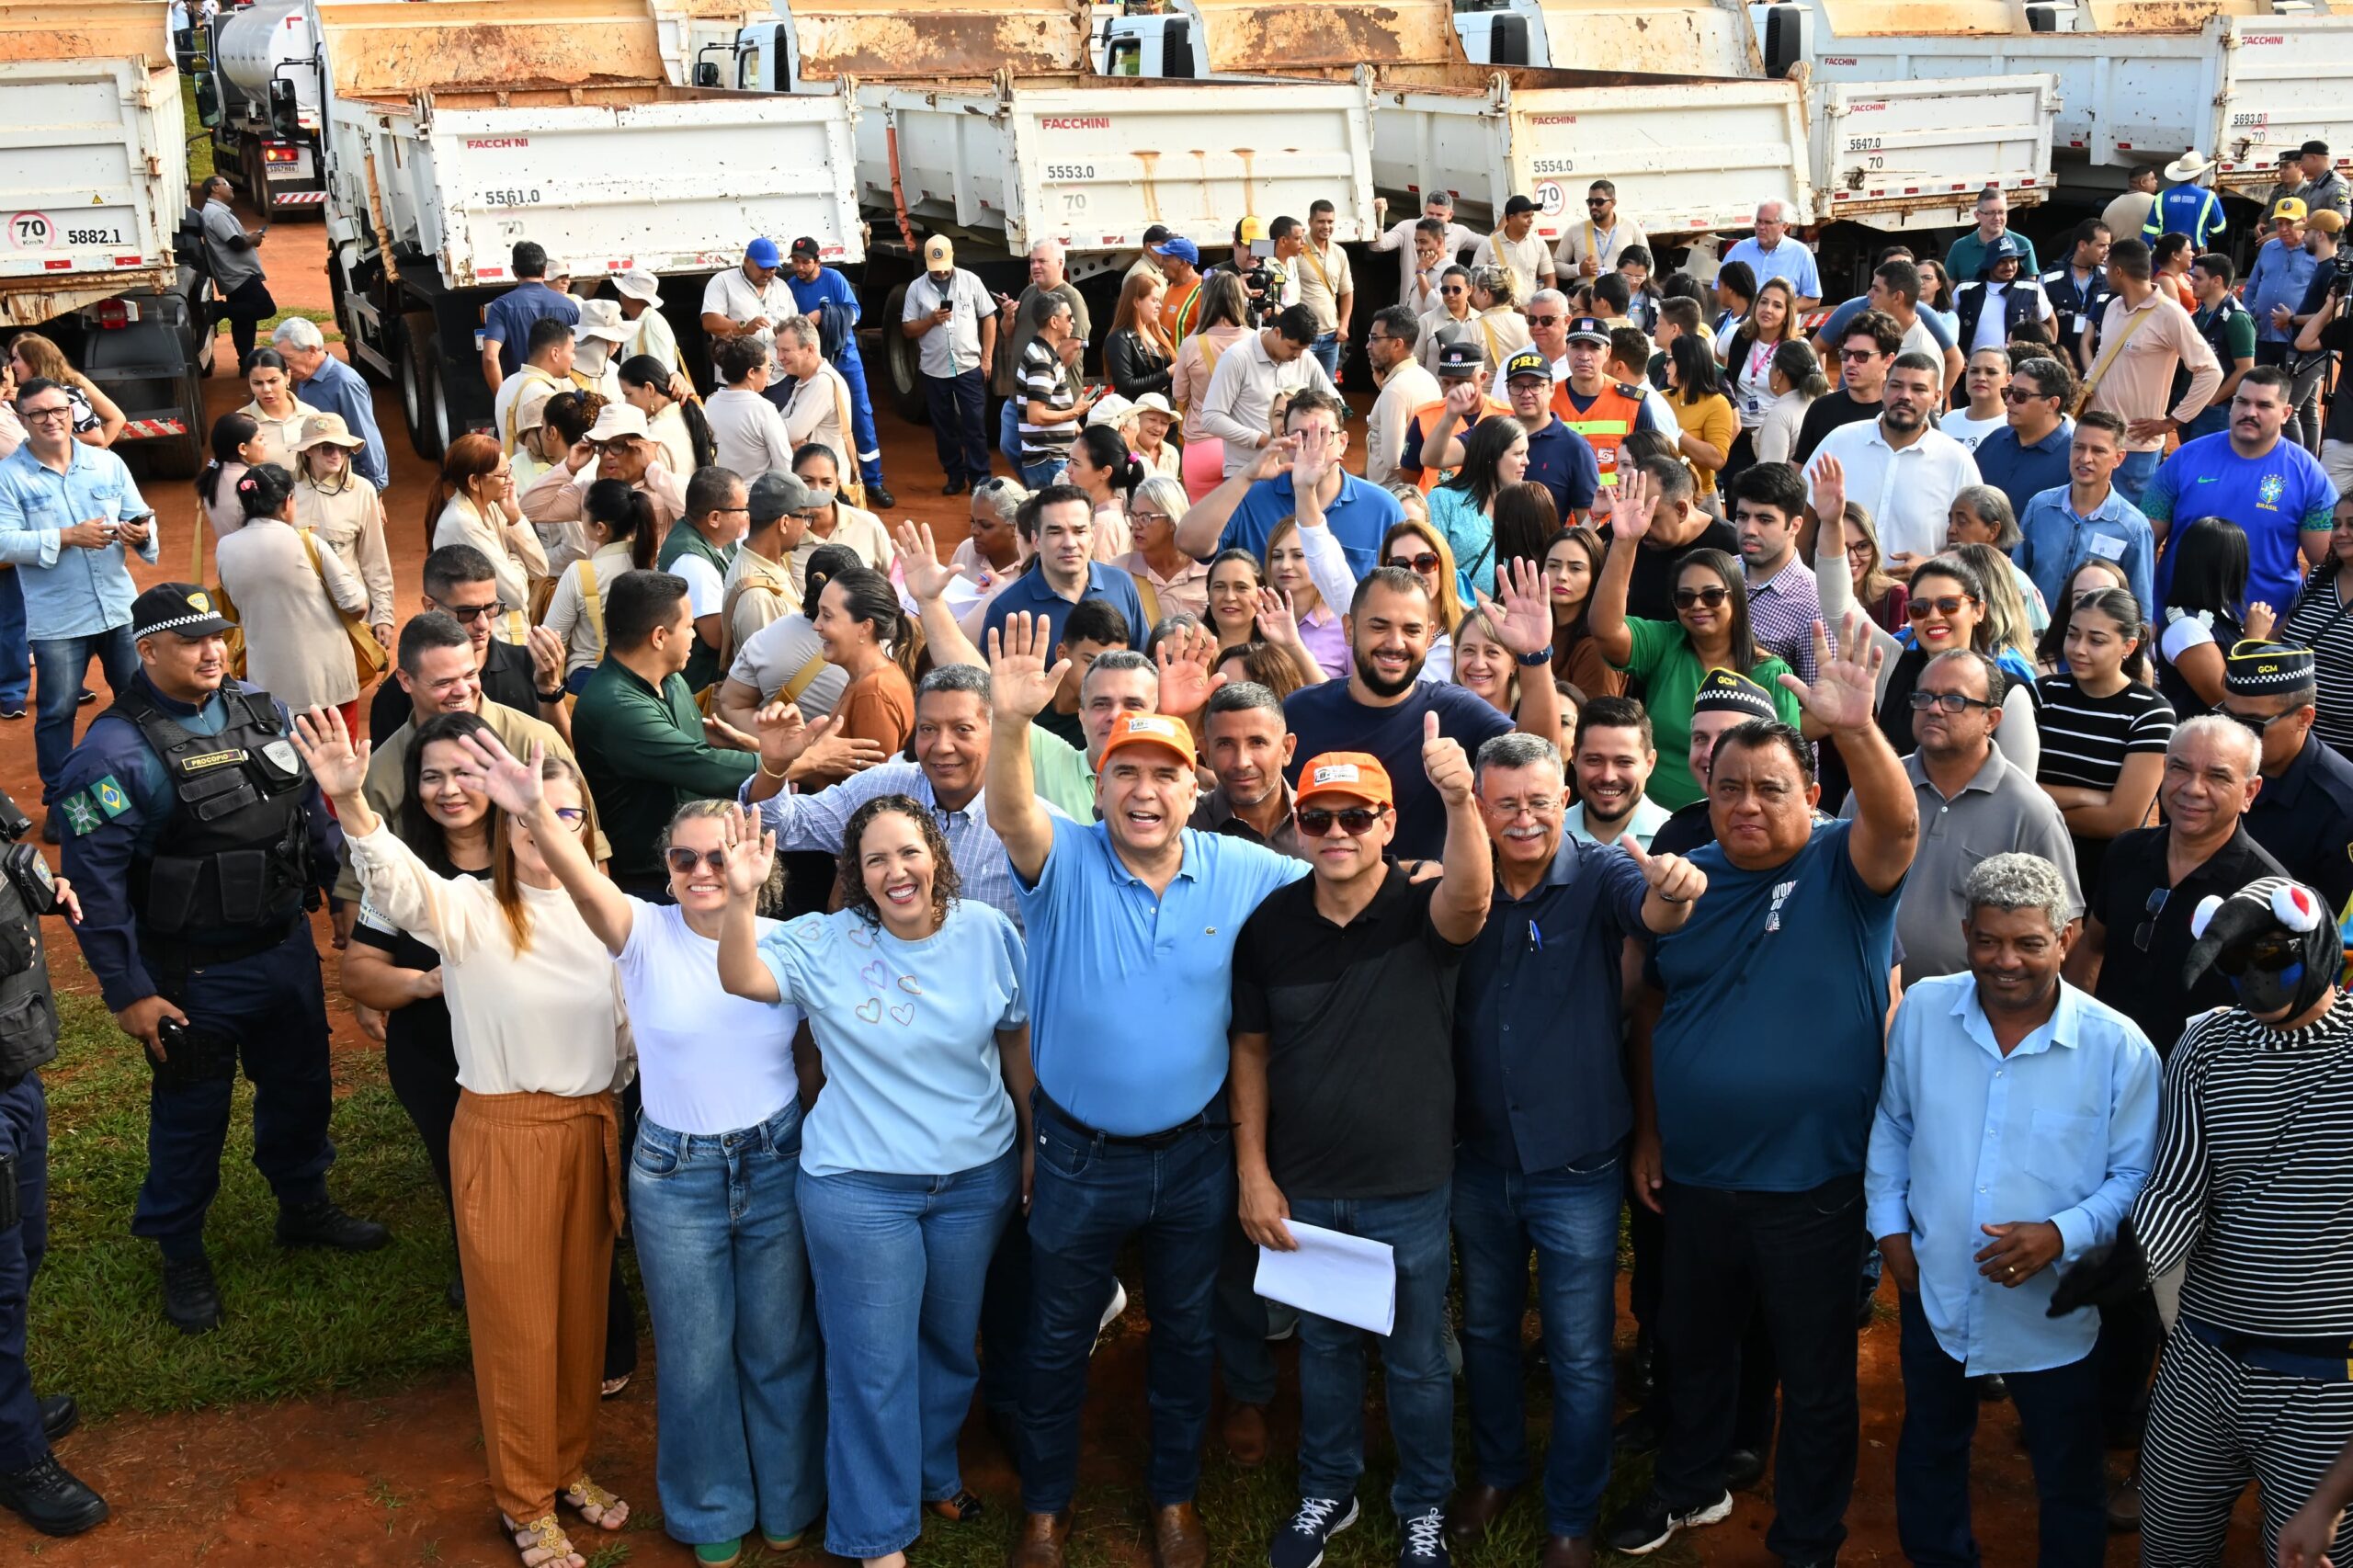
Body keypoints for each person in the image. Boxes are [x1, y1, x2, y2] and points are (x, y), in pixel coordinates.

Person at [983, 615, 1309, 1568]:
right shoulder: (1064, 859)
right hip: (1079, 1155)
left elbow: (1344, 880)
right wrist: (1010, 723)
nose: (1143, 788)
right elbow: (1010, 812)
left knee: (1184, 1332)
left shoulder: (1242, 868)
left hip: (1196, 1154)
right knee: (1053, 1337)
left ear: (1192, 785)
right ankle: (1045, 1506)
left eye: (1164, 771)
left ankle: (1173, 1498)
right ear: (1099, 783)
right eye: (1125, 770)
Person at [455, 742, 818, 1568]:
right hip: (677, 1176)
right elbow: (583, 880)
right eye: (683, 858)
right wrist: (536, 811)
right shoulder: (639, 930)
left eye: (717, 857)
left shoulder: (791, 943)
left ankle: (791, 1496)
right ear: (665, 866)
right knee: (693, 1356)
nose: (699, 870)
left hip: (774, 1160)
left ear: (753, 857)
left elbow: (814, 1052)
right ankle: (711, 1504)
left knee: (778, 1344)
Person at [1604, 616, 1919, 1562]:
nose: (1746, 803)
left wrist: (1858, 728)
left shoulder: (1845, 868)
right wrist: (1651, 1135)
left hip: (1813, 1187)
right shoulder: (1684, 877)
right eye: (1728, 786)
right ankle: (1689, 1484)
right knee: (1693, 1349)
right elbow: (1650, 1012)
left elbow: (1897, 822)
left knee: (1816, 1373)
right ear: (1703, 789)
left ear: (1809, 792)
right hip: (1697, 1177)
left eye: (1769, 787)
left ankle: (1808, 1535)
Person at [295, 709, 631, 1568]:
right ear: (503, 825)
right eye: (525, 816)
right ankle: (525, 1500)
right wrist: (351, 805)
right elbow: (398, 884)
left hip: (591, 1127)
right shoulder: (469, 909)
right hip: (506, 1134)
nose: (544, 832)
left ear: (584, 828)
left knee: (582, 1322)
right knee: (520, 1328)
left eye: (563, 816)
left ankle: (566, 1468)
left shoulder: (617, 919)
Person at [56, 585, 385, 1334]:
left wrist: (339, 887)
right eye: (190, 641)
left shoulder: (259, 707)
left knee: (301, 1086)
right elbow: (96, 892)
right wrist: (128, 993)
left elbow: (307, 807)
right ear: (146, 652)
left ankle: (303, 1205)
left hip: (282, 952)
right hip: (192, 976)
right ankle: (180, 1249)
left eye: (216, 637)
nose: (211, 652)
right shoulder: (110, 756)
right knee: (191, 1116)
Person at [712, 784, 1026, 1567]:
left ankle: (930, 1471)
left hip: (974, 1179)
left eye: (909, 853)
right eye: (875, 858)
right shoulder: (824, 940)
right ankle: (877, 1532)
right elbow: (741, 977)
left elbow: (1014, 1045)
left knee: (951, 1346)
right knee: (871, 1364)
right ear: (854, 873)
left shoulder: (989, 933)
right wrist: (741, 898)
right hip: (860, 1188)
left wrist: (1029, 1146)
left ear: (938, 859)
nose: (896, 871)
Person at [1231, 727, 1495, 1568]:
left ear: (1389, 824)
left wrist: (1458, 798)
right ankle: (1328, 1491)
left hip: (1408, 1183)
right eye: (1318, 818)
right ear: (1297, 826)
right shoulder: (1269, 925)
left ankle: (1422, 1503)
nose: (1337, 833)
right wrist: (1254, 1176)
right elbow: (1250, 1053)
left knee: (1417, 1361)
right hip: (1304, 1187)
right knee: (1327, 1348)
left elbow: (1475, 901)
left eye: (1357, 817)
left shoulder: (1425, 908)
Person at [1442, 729, 1696, 1568]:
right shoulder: (1458, 879)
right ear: (1480, 807)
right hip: (1478, 1155)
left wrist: (1673, 891)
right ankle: (1501, 1469)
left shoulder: (1603, 871)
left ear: (1566, 804)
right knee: (1485, 1327)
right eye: (1505, 804)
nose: (1523, 820)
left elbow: (1652, 909)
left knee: (1583, 1349)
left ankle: (1572, 1514)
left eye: (1539, 804)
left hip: (1577, 1162)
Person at [2048, 871, 2353, 1563]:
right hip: (2200, 1361)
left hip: (2325, 1381)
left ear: (2320, 945)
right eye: (2236, 965)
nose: (2254, 981)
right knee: (2170, 1550)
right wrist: (2130, 1256)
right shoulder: (2206, 1046)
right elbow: (2178, 1187)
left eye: (2272, 958)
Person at [1866, 852, 2156, 1568]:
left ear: (2066, 937)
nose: (2006, 961)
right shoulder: (1927, 1010)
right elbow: (1894, 1122)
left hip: (2055, 1319)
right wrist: (1890, 1226)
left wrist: (2062, 1234)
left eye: (2029, 943)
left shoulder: (2118, 1049)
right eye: (1989, 940)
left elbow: (2136, 1177)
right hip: (1937, 1292)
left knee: (2067, 1477)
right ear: (1966, 932)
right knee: (1932, 1447)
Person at [340, 708, 495, 1301]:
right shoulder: (402, 873)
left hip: (529, 1056)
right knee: (462, 1171)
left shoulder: (535, 857)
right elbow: (360, 973)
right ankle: (476, 1261)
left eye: (466, 772)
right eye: (432, 777)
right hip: (436, 1058)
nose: (449, 790)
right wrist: (429, 983)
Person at [1284, 564, 1560, 858]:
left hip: (1428, 899)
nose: (1395, 643)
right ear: (1349, 629)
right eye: (1379, 627)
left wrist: (1534, 656)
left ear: (1429, 635)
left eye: (1411, 630)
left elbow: (1538, 758)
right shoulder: (1298, 712)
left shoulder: (1456, 709)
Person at [1586, 467, 1804, 810]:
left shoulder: (1771, 673)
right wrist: (1625, 543)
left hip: (1736, 827)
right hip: (1655, 824)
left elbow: (1789, 769)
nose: (1698, 605)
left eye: (1713, 595)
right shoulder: (1665, 643)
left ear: (1737, 597)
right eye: (1685, 598)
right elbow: (1606, 630)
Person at [0, 374, 159, 833]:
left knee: (137, 701)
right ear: (23, 419)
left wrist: (140, 531)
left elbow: (139, 513)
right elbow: (5, 543)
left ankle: (142, 789)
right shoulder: (10, 478)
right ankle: (61, 804)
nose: (51, 420)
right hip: (59, 618)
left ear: (72, 413)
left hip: (117, 607)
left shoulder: (106, 464)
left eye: (59, 411)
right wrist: (67, 538)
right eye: (39, 413)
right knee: (56, 712)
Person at [1872, 648, 2081, 979]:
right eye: (1924, 697)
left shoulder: (2029, 811)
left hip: (1971, 1015)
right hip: (1871, 1001)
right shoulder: (1877, 789)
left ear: (1992, 720)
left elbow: (2065, 927)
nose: (1934, 709)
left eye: (1955, 700)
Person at [571, 571, 758, 896]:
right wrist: (796, 760)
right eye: (688, 627)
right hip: (651, 881)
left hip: (693, 859)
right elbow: (702, 766)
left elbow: (688, 746)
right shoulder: (617, 706)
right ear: (659, 637)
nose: (695, 636)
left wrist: (734, 743)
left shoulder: (670, 678)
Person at [2144, 368, 2338, 614]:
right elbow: (2145, 542)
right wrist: (2147, 611)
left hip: (2262, 633)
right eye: (2242, 402)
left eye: (2264, 405)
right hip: (2179, 622)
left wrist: (2292, 627)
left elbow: (2326, 564)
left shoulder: (2308, 475)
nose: (2249, 412)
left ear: (2286, 413)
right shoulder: (2184, 459)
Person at [2034, 586, 2173, 891]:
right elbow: (2009, 790)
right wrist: (2087, 797)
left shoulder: (2151, 713)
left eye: (2096, 640)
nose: (2079, 648)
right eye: (2073, 635)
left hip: (2100, 875)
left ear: (2128, 646)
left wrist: (2034, 806)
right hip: (2031, 860)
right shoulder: (2041, 694)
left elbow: (2121, 820)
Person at [213, 462, 370, 724]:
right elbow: (356, 604)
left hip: (267, 688)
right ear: (287, 502)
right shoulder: (306, 542)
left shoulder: (225, 549)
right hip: (327, 684)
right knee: (339, 757)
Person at [366, 547, 570, 745]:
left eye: (490, 608)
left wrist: (549, 691)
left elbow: (563, 752)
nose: (482, 624)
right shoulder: (397, 694)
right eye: (467, 612)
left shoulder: (528, 665)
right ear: (430, 607)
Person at [2081, 239, 2222, 506]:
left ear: (2118, 271)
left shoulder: (2171, 314)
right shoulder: (2113, 307)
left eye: (2108, 267)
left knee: (2124, 524)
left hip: (2135, 448)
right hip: (2096, 439)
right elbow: (2103, 355)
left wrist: (2171, 422)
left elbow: (2211, 371)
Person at [1811, 352, 1983, 573]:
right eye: (1896, 386)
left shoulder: (1957, 460)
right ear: (1883, 388)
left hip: (1917, 600)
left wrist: (1931, 563)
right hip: (1839, 595)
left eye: (1919, 389)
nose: (1905, 396)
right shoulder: (1839, 441)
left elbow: (1976, 541)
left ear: (1936, 397)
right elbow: (1805, 517)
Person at [2219, 641, 2353, 913]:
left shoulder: (2342, 806)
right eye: (2226, 716)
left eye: (2251, 724)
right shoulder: (2212, 768)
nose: (2235, 734)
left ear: (2304, 718)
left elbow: (2334, 933)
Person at [776, 237, 891, 506]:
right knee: (815, 421)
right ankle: (828, 482)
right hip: (814, 361)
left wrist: (823, 314)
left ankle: (873, 482)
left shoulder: (835, 279)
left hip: (846, 358)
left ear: (818, 261)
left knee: (860, 417)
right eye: (795, 262)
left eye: (805, 262)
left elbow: (855, 314)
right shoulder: (791, 286)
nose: (800, 267)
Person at [2015, 409, 2155, 616]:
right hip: (2033, 640)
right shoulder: (2040, 507)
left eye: (2098, 451)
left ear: (2118, 458)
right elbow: (2017, 578)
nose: (2085, 458)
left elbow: (2140, 608)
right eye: (2079, 447)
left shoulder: (2133, 528)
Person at [978, 487, 1149, 653]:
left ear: (1093, 536)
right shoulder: (1006, 610)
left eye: (1079, 531)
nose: (1069, 543)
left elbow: (1144, 660)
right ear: (1036, 540)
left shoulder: (1121, 584)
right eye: (1056, 532)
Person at [901, 234, 998, 496]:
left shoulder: (970, 281)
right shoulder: (916, 289)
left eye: (944, 265)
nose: (941, 272)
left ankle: (980, 478)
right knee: (943, 426)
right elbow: (908, 329)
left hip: (968, 365)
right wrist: (931, 320)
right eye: (936, 268)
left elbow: (989, 318)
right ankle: (954, 475)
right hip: (934, 369)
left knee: (975, 424)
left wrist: (987, 358)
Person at [541, 481, 660, 693]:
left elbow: (551, 641)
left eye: (583, 513)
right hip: (642, 680)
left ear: (600, 528)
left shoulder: (581, 573)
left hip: (589, 679)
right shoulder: (653, 566)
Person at [431, 433, 547, 646]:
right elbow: (516, 596)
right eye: (503, 475)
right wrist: (514, 556)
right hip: (487, 643)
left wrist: (515, 517)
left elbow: (540, 569)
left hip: (510, 636)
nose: (510, 480)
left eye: (509, 471)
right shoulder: (462, 523)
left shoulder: (494, 507)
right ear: (474, 481)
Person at [290, 414, 393, 652]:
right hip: (300, 612)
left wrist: (384, 616)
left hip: (349, 612)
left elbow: (374, 558)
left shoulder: (363, 490)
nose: (336, 455)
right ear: (308, 451)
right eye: (327, 448)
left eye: (343, 448)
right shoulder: (286, 492)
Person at [1200, 305, 1336, 482]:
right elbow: (1211, 419)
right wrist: (1266, 441)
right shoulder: (1237, 357)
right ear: (1278, 332)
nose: (1298, 356)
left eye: (1304, 350)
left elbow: (1335, 404)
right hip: (1246, 474)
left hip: (1294, 474)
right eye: (1293, 348)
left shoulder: (1305, 359)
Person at [810, 566, 919, 783]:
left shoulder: (874, 692)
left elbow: (874, 791)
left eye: (827, 615)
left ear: (865, 627)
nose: (816, 625)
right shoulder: (864, 680)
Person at [993, 242, 1092, 473]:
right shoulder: (1029, 293)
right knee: (1010, 446)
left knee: (1051, 457)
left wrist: (1042, 383)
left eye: (1042, 261)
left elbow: (1073, 345)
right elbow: (1009, 333)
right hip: (1020, 395)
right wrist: (1008, 316)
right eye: (1032, 261)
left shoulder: (1071, 299)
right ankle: (1035, 490)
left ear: (1060, 264)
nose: (1035, 267)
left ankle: (1047, 496)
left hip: (1052, 399)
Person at [1728, 460, 1823, 685]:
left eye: (1765, 519)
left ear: (1795, 525)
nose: (1749, 530)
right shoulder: (1719, 572)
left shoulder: (1815, 603)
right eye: (1742, 517)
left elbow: (1818, 709)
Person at [270, 316, 390, 494]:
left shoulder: (344, 383)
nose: (285, 367)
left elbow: (366, 437)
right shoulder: (307, 378)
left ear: (311, 351)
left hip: (347, 485)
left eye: (288, 359)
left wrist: (375, 490)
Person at [2151, 517, 2256, 717]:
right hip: (2198, 743)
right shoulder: (2185, 627)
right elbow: (2226, 702)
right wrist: (2252, 641)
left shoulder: (2218, 612)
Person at [1171, 273, 1255, 497]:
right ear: (1239, 300)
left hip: (1202, 444)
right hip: (1246, 445)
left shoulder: (1191, 345)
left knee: (1203, 523)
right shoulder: (1255, 342)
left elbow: (1179, 394)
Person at [2284, 497, 2353, 758]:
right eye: (2336, 524)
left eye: (2352, 524)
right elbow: (2283, 636)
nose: (2341, 532)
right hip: (2297, 743)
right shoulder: (2318, 578)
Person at [1792, 310, 1903, 466]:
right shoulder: (1821, 410)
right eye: (1846, 354)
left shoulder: (1906, 414)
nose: (1850, 363)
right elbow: (1800, 469)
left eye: (1862, 355)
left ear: (1888, 360)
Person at [1560, 696, 1669, 847]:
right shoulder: (1550, 834)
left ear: (1649, 763)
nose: (1608, 776)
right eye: (1594, 760)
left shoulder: (1680, 840)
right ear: (1575, 757)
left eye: (1624, 762)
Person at [197, 176, 275, 368]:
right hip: (238, 274)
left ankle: (245, 363)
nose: (231, 187)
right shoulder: (216, 214)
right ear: (215, 188)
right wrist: (253, 239)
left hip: (233, 274)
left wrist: (249, 236)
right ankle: (219, 309)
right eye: (225, 184)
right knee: (265, 308)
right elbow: (236, 243)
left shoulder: (214, 212)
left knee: (244, 320)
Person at [479, 241, 580, 390]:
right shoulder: (569, 307)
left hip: (521, 394)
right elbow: (579, 354)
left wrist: (502, 399)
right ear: (544, 271)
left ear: (514, 271)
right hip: (561, 398)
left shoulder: (502, 305)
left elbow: (490, 357)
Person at [2183, 253, 2256, 441]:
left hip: (2216, 410)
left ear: (2216, 281)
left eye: (2198, 278)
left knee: (2207, 466)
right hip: (2194, 404)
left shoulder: (2237, 318)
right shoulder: (2201, 313)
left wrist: (2212, 400)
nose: (2192, 282)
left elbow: (2245, 369)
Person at [1119, 476, 1210, 622]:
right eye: (1133, 516)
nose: (1136, 525)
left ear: (1173, 521)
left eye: (1146, 517)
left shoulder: (1210, 574)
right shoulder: (1117, 571)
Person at [1541, 525, 1618, 699]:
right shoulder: (1536, 626)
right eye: (1553, 565)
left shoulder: (1597, 647)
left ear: (1597, 574)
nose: (1561, 576)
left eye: (1575, 568)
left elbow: (1595, 720)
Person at [706, 335, 796, 483]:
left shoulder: (711, 403)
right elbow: (785, 467)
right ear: (751, 373)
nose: (769, 374)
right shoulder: (764, 410)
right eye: (769, 368)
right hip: (758, 498)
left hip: (721, 495)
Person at [1953, 236, 2055, 358]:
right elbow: (1948, 327)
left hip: (2018, 368)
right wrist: (1957, 357)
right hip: (1972, 366)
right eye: (2002, 262)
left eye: (2013, 260)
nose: (2009, 267)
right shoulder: (1965, 289)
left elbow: (2050, 321)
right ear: (1989, 263)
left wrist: (2047, 354)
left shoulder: (2032, 288)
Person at [2247, 200, 2320, 372]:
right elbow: (2251, 287)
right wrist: (2248, 317)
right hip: (2262, 334)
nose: (2283, 229)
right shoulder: (2269, 248)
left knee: (2291, 391)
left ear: (2305, 222)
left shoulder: (2315, 253)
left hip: (2295, 337)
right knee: (2259, 384)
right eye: (2279, 224)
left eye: (2290, 223)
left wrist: (2297, 320)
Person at [2040, 221, 2117, 381]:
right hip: (2058, 367)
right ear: (2082, 245)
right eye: (2101, 245)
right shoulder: (2048, 279)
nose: (2107, 251)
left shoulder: (2110, 279)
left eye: (2108, 246)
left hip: (2096, 367)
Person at [1663, 338, 1737, 497]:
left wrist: (1678, 434)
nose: (1665, 366)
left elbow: (1717, 460)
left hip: (1700, 499)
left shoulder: (1718, 404)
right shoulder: (1660, 399)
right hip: (1664, 495)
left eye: (1670, 361)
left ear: (1686, 364)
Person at [618, 356, 710, 483]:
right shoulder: (696, 412)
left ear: (649, 388)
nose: (627, 402)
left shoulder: (653, 434)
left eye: (629, 395)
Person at [1292, 199, 1355, 381]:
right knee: (1300, 390)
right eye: (1321, 221)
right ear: (1310, 222)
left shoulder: (1339, 253)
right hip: (1304, 337)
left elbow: (1347, 292)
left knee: (1326, 393)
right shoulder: (1298, 251)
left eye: (1330, 221)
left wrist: (1344, 325)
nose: (1326, 226)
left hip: (1331, 338)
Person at [1836, 500, 1909, 634]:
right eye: (1841, 547)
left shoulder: (1895, 596)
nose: (1852, 557)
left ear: (1874, 548)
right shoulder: (1805, 591)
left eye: (1862, 546)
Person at [236, 348, 317, 471]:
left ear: (288, 377)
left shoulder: (312, 416)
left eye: (273, 381)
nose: (266, 389)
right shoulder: (240, 423)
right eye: (257, 383)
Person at [1946, 188, 2040, 291]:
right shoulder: (1960, 247)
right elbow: (1948, 292)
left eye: (2001, 212)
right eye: (1990, 213)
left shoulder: (2023, 244)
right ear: (1977, 215)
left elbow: (2031, 291)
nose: (1997, 218)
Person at [1755, 340, 1827, 468]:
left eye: (1771, 367)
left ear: (1779, 374)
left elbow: (1771, 475)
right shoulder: (1823, 404)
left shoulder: (1780, 415)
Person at [1942, 348, 2014, 451]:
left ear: (2008, 380)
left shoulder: (2013, 425)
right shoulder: (1948, 420)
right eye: (1974, 371)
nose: (1981, 378)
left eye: (1991, 372)